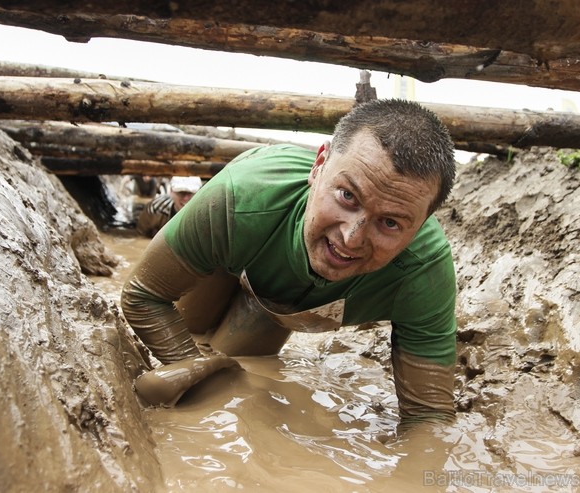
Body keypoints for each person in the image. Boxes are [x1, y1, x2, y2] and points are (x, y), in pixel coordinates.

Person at [121, 99, 458, 423]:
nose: (351, 238)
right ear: (319, 164)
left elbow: (429, 417)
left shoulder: (423, 271)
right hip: (233, 248)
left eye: (390, 223)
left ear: (422, 225)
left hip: (277, 303)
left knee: (241, 359)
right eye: (347, 195)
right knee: (192, 327)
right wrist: (197, 373)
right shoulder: (240, 196)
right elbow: (143, 294)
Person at [135, 175, 202, 237]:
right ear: (171, 191)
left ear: (200, 193)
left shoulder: (205, 215)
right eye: (181, 193)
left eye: (191, 193)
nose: (186, 198)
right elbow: (140, 236)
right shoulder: (155, 209)